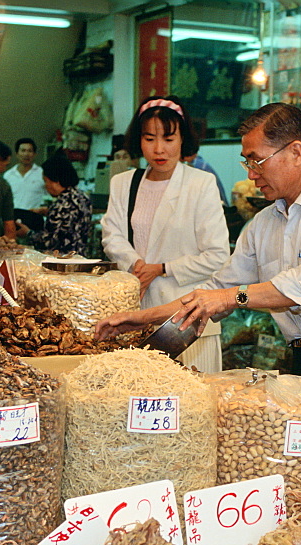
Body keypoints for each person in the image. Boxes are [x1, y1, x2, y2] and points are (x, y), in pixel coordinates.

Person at [96, 102, 301, 376]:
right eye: (247, 163)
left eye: (257, 161)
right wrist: (143, 317)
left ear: (296, 152)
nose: (251, 174)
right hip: (300, 359)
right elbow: (213, 290)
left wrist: (229, 297)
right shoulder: (262, 223)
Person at [101, 96, 230, 373]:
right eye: (149, 139)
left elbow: (218, 256)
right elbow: (112, 235)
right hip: (138, 316)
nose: (159, 149)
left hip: (190, 321)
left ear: (183, 140)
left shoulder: (201, 184)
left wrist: (160, 269)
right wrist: (138, 266)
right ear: (139, 140)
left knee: (194, 404)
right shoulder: (124, 183)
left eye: (169, 139)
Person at [31, 153, 92, 255]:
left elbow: (49, 242)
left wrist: (28, 234)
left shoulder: (61, 205)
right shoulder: (83, 196)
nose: (46, 186)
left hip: (63, 261)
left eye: (46, 181)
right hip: (80, 257)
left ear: (56, 181)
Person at [3, 137, 47, 232]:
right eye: (23, 150)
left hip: (34, 220)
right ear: (17, 153)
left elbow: (49, 198)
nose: (26, 154)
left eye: (30, 151)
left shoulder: (41, 174)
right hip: (13, 220)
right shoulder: (8, 175)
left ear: (34, 154)